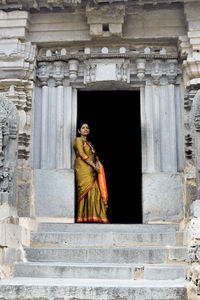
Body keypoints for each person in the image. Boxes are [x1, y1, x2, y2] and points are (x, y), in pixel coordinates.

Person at [73, 121, 109, 223]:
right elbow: (82, 154)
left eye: (87, 128)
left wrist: (97, 165)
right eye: (83, 128)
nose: (85, 129)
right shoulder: (78, 140)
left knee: (95, 191)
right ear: (79, 130)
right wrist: (94, 166)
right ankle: (83, 217)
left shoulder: (90, 143)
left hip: (91, 170)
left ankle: (96, 216)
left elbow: (94, 156)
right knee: (86, 191)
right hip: (83, 169)